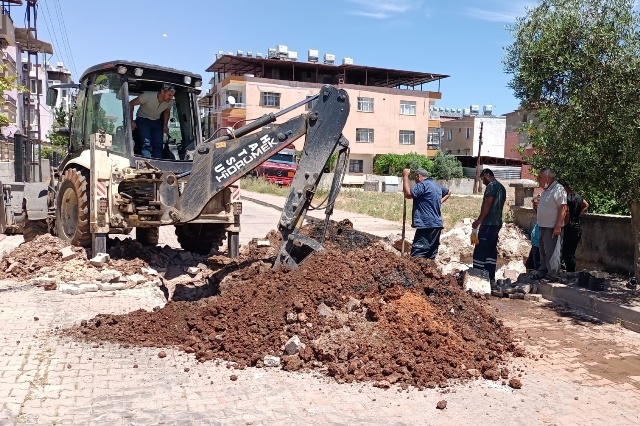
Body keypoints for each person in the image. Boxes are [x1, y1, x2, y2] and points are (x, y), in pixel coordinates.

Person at [402, 168, 450, 259]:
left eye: (415, 178)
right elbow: (448, 192)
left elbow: (408, 194)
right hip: (437, 225)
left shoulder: (423, 185)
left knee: (418, 254)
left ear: (418, 176)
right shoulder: (435, 185)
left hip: (426, 225)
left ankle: (416, 273)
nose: (415, 181)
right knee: (430, 255)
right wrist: (438, 202)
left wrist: (405, 176)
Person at [471, 169, 507, 286]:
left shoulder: (491, 186)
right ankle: (490, 277)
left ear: (487, 175)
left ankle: (477, 277)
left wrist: (479, 221)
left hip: (488, 224)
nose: (483, 182)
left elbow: (488, 204)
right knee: (491, 251)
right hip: (497, 223)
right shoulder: (502, 187)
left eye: (483, 179)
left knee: (480, 250)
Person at [533, 168, 567, 281]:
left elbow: (563, 208)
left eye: (540, 178)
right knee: (543, 251)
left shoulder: (558, 189)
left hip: (552, 227)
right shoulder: (547, 190)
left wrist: (558, 225)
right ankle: (544, 270)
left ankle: (553, 275)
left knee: (553, 252)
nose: (539, 180)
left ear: (548, 178)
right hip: (542, 226)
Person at [129, 84, 175, 158]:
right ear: (162, 92)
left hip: (156, 121)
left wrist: (165, 125)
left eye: (172, 95)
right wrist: (131, 120)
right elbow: (131, 104)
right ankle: (148, 164)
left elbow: (167, 111)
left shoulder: (170, 102)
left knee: (158, 145)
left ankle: (159, 164)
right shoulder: (147, 96)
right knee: (146, 144)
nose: (171, 97)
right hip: (143, 119)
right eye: (169, 95)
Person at [558, 180, 589, 272]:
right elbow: (586, 205)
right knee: (571, 252)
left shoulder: (566, 198)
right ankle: (571, 271)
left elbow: (566, 212)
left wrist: (564, 223)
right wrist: (578, 214)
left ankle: (570, 272)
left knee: (566, 253)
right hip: (577, 226)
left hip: (569, 227)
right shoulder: (578, 196)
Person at [526, 196, 542, 271]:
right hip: (535, 244)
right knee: (529, 265)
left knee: (538, 265)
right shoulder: (539, 215)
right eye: (533, 205)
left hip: (539, 245)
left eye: (536, 205)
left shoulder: (544, 215)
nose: (534, 208)